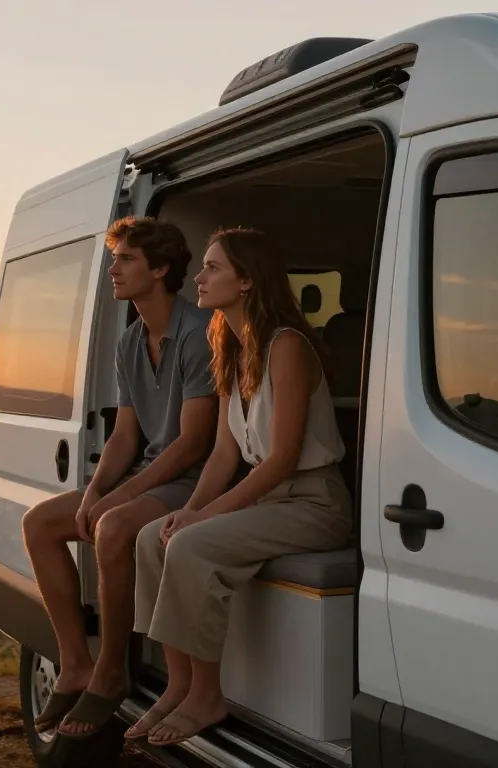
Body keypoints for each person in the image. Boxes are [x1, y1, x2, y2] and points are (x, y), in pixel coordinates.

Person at [128, 227, 353, 747]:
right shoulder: (229, 345)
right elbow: (225, 453)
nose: (199, 278)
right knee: (151, 536)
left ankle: (207, 695)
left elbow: (279, 461)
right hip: (268, 499)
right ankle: (178, 684)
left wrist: (200, 520)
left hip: (313, 502)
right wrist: (187, 509)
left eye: (213, 268)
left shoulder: (288, 346)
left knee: (190, 542)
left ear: (247, 280)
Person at [22, 216, 218, 739]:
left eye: (126, 259)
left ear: (160, 269)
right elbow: (125, 434)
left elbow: (194, 443)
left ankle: (112, 672)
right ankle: (75, 663)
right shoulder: (131, 339)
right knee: (40, 523)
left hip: (192, 480)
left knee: (110, 528)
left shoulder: (199, 335)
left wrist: (120, 497)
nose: (113, 269)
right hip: (147, 473)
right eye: (115, 258)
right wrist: (93, 491)